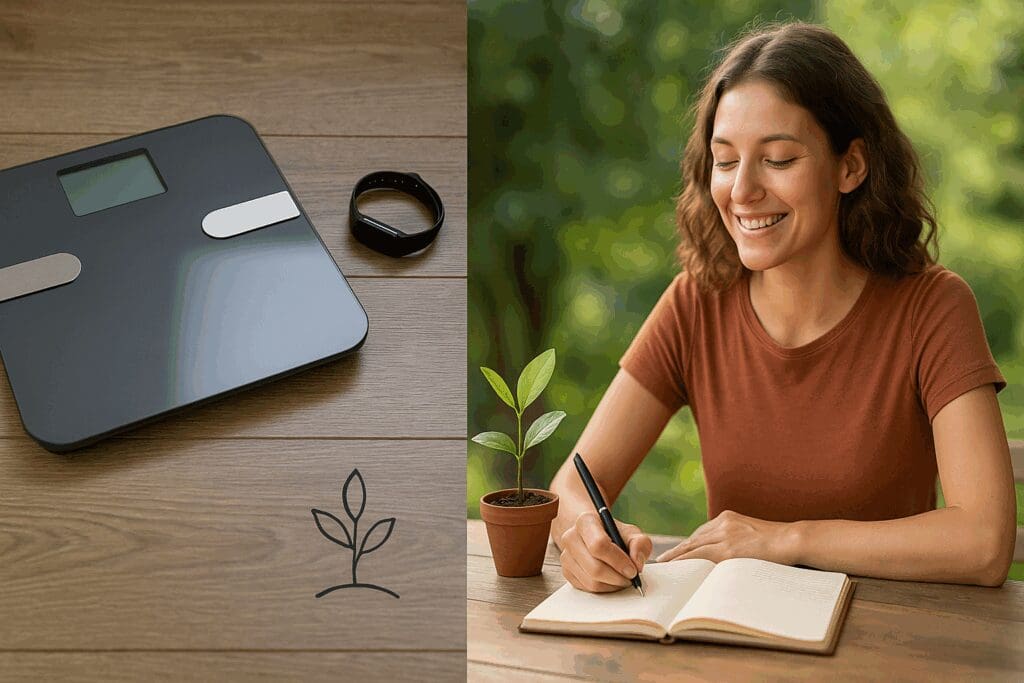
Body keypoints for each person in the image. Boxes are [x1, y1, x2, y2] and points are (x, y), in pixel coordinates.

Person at [549, 21, 1016, 591]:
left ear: (851, 166)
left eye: (777, 159)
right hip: (734, 633)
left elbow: (984, 542)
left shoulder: (933, 308)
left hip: (887, 636)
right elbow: (571, 488)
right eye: (725, 161)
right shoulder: (696, 304)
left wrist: (785, 540)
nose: (743, 191)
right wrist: (587, 539)